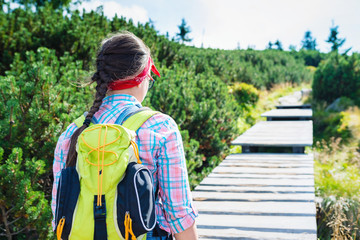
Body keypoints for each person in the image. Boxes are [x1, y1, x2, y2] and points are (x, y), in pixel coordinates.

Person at [51, 32, 198, 240]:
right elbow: (178, 213)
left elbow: (59, 214)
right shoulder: (160, 128)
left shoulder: (71, 133)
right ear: (143, 77)